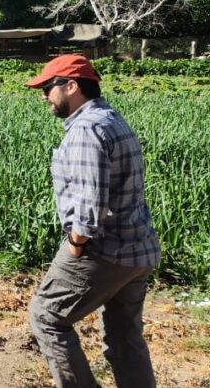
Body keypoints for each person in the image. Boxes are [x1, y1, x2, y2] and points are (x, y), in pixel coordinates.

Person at [25, 55, 159, 388]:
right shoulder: (110, 118)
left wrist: (75, 245)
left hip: (102, 250)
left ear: (71, 86)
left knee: (47, 316)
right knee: (124, 338)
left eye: (47, 87)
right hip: (136, 250)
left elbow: (89, 207)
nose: (44, 95)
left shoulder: (86, 129)